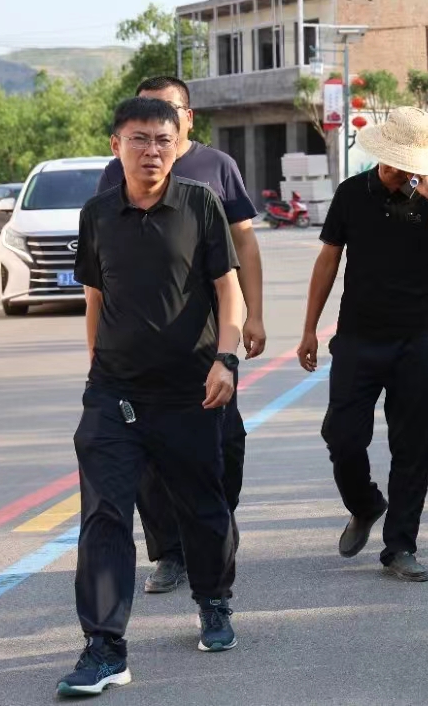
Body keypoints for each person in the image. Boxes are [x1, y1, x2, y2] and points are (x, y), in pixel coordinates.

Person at [58, 97, 242, 696]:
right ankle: (104, 647)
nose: (153, 151)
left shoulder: (199, 204)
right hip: (113, 392)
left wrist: (226, 358)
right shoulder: (97, 214)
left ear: (178, 142)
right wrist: (96, 375)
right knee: (106, 514)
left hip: (189, 389)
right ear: (116, 144)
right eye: (140, 139)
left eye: (164, 139)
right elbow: (95, 299)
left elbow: (227, 291)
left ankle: (213, 599)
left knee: (202, 504)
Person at [96, 76, 264, 595]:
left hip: (209, 343)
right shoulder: (117, 172)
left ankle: (212, 525)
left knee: (224, 445)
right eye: (143, 122)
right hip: (139, 351)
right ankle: (170, 552)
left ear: (187, 117)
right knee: (147, 458)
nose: (153, 137)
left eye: (166, 115)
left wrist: (252, 316)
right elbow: (103, 270)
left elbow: (244, 248)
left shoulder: (216, 170)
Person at [298, 106, 428, 583]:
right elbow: (327, 263)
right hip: (356, 338)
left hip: (414, 340)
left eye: (409, 163)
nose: (400, 170)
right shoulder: (352, 194)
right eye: (395, 161)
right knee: (342, 436)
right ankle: (365, 503)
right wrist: (310, 327)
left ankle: (401, 546)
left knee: (412, 446)